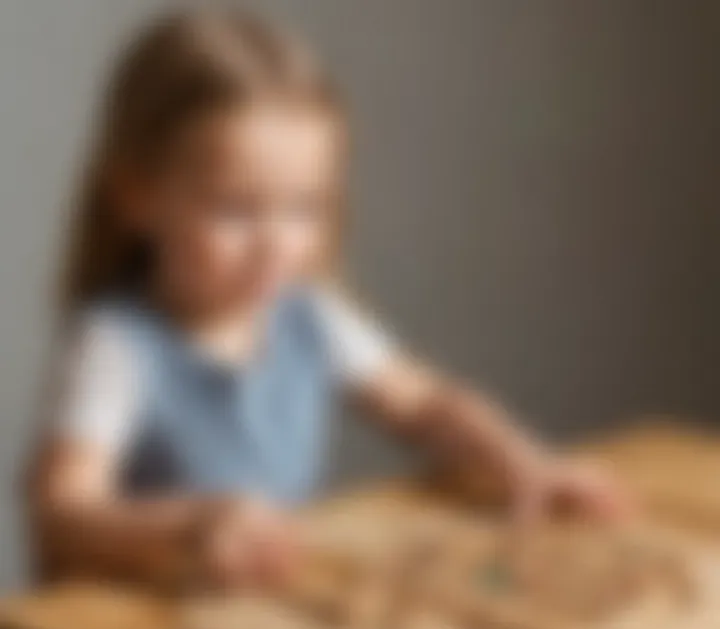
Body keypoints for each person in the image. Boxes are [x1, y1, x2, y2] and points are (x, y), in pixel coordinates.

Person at [29, 8, 630, 591]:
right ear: (138, 196)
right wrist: (198, 523)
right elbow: (62, 508)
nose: (275, 246)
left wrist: (522, 460)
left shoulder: (307, 315)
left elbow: (423, 404)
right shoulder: (117, 347)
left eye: (304, 208)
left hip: (257, 604)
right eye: (236, 210)